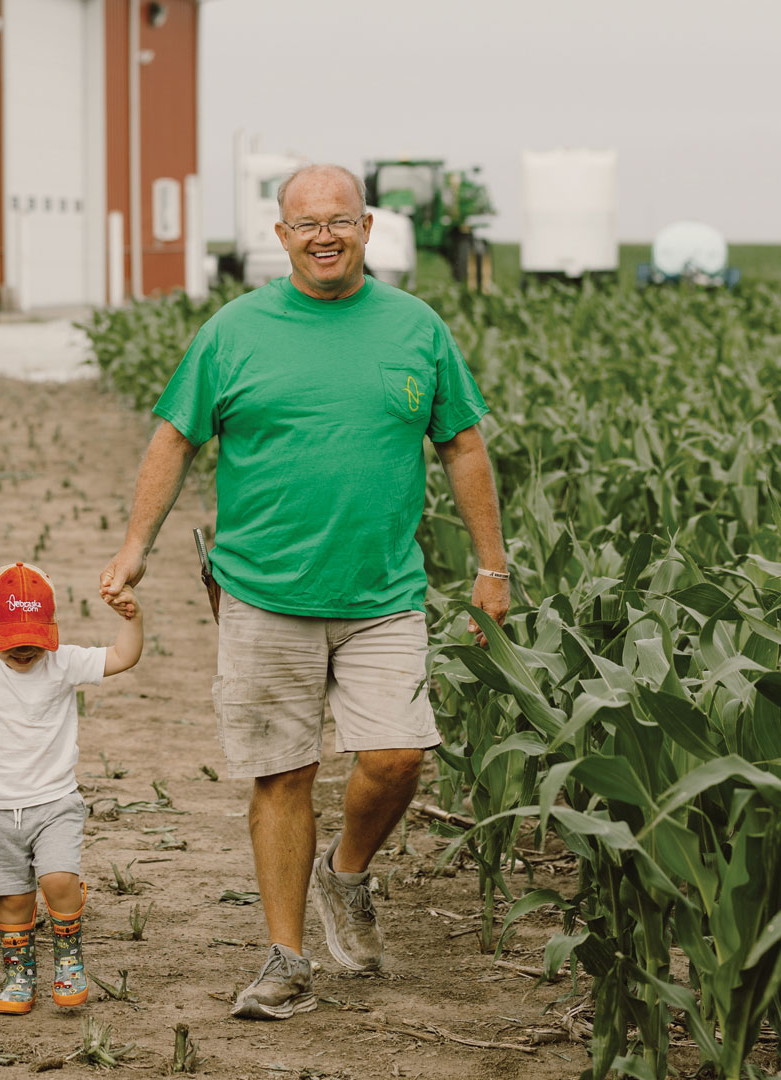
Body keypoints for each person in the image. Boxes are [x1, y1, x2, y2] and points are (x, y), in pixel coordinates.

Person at [98, 164, 511, 1021]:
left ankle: (346, 874)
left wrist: (491, 566)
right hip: (261, 592)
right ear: (280, 236)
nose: (324, 236)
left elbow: (463, 445)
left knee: (398, 756)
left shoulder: (416, 327)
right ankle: (285, 959)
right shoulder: (234, 330)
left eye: (340, 222)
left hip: (382, 594)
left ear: (367, 227)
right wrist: (136, 544)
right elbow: (174, 439)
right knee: (282, 775)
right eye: (305, 223)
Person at [0, 562, 143, 1015]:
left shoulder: (63, 662)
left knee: (59, 879)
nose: (23, 654)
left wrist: (133, 618)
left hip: (54, 801)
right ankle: (19, 974)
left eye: (32, 646)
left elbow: (123, 656)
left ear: (51, 632)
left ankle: (68, 959)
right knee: (15, 899)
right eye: (12, 646)